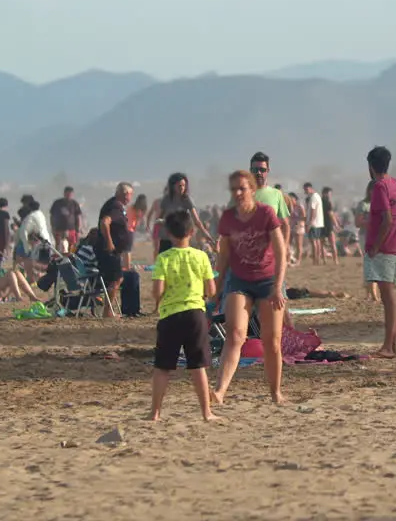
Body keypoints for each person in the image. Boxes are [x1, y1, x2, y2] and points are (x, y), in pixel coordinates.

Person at [213, 169, 289, 405]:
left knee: (272, 341)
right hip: (240, 281)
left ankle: (275, 392)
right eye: (233, 189)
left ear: (252, 190)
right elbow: (224, 256)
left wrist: (278, 287)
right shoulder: (227, 218)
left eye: (242, 188)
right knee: (235, 335)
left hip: (267, 281)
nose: (237, 193)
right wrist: (217, 289)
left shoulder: (265, 213)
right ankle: (219, 392)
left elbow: (280, 253)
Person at [147, 210, 218, 422]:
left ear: (169, 233)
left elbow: (157, 290)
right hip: (195, 314)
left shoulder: (164, 258)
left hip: (170, 316)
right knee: (198, 366)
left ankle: (155, 412)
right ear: (192, 231)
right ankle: (206, 412)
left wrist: (158, 302)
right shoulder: (201, 256)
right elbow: (212, 289)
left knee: (163, 367)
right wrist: (202, 295)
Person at [366, 146, 396, 359]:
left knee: (388, 297)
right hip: (394, 246)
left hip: (384, 248)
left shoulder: (380, 187)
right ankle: (392, 344)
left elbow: (387, 219)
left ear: (371, 166)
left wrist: (376, 245)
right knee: (389, 296)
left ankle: (388, 347)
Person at [147, 173, 213, 258]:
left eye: (184, 185)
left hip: (181, 236)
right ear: (173, 186)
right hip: (167, 236)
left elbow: (196, 220)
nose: (182, 188)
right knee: (166, 262)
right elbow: (160, 217)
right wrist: (160, 223)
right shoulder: (166, 199)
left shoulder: (187, 200)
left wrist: (205, 233)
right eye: (179, 185)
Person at [96, 182, 136, 318]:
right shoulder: (115, 206)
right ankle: (107, 312)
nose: (129, 197)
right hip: (109, 252)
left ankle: (108, 310)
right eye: (127, 194)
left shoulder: (116, 206)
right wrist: (109, 242)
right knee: (116, 279)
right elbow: (104, 223)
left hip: (113, 251)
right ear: (122, 194)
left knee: (116, 279)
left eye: (130, 194)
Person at [50, 186, 83, 254]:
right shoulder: (57, 203)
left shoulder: (74, 203)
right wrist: (52, 227)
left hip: (71, 229)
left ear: (72, 194)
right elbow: (52, 216)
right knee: (58, 245)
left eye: (70, 194)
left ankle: (71, 259)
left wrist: (78, 230)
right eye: (67, 194)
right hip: (59, 229)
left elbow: (78, 217)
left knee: (72, 246)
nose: (68, 195)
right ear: (64, 193)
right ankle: (57, 259)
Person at [304, 182, 326, 265]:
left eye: (306, 189)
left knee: (314, 242)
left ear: (310, 188)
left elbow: (313, 211)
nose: (305, 191)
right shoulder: (317, 196)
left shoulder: (313, 197)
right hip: (319, 223)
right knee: (317, 242)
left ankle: (315, 260)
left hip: (314, 223)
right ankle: (317, 259)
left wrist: (309, 223)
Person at [322, 186, 340, 265]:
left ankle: (324, 260)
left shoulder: (319, 201)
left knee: (322, 244)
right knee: (332, 243)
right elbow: (331, 214)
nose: (330, 195)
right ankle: (335, 260)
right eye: (329, 194)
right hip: (328, 224)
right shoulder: (328, 202)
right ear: (325, 193)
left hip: (321, 224)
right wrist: (336, 224)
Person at [287, 192, 306, 266]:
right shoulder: (289, 207)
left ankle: (298, 260)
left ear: (295, 199)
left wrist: (299, 222)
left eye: (291, 198)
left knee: (299, 244)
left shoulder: (299, 206)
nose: (290, 200)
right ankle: (288, 259)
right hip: (291, 226)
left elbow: (304, 216)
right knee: (288, 243)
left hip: (299, 226)